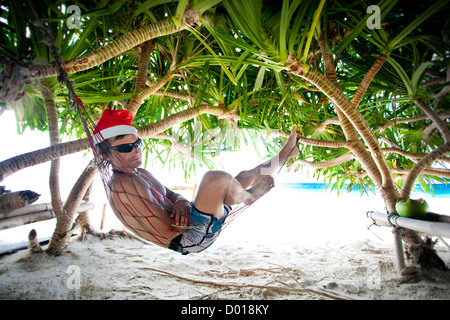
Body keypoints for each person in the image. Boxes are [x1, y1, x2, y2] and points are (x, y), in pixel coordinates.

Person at [93, 109, 299, 254]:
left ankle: (285, 154)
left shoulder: (140, 173)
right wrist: (181, 215)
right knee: (214, 179)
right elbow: (168, 230)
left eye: (137, 143)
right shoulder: (122, 187)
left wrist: (182, 203)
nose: (136, 150)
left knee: (244, 175)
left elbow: (173, 196)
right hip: (189, 238)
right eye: (126, 148)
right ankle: (249, 196)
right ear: (105, 154)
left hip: (195, 218)